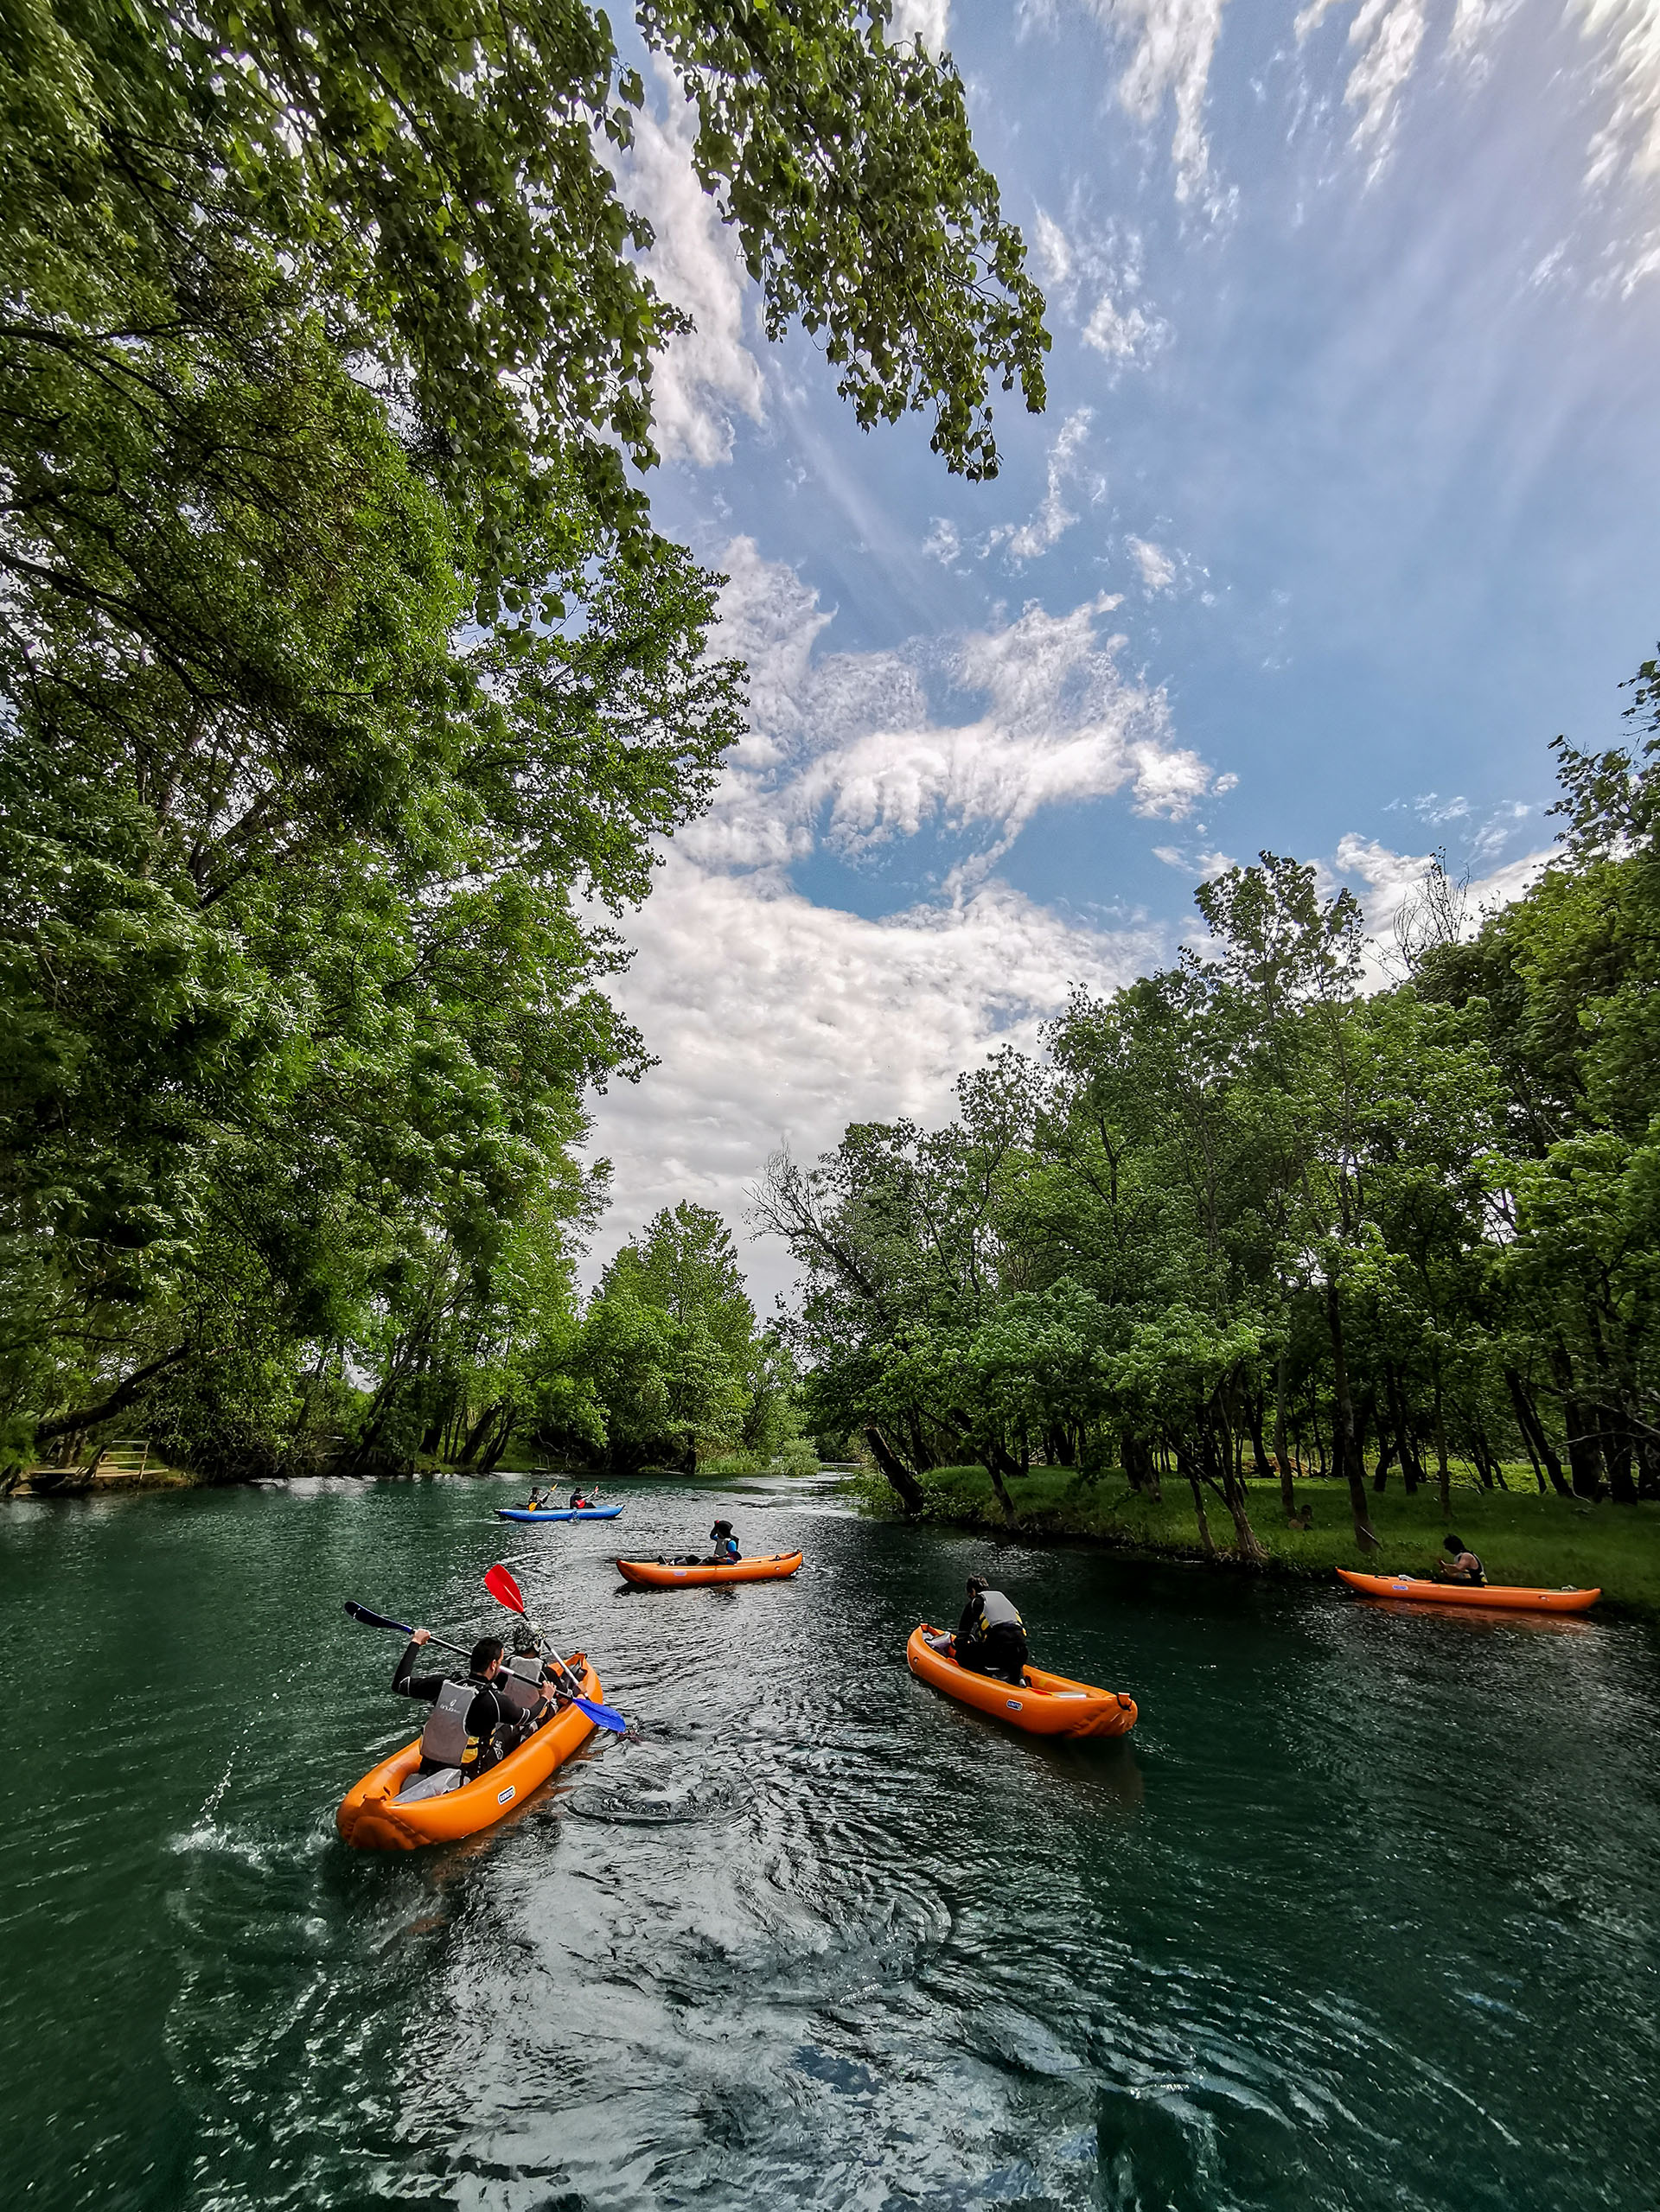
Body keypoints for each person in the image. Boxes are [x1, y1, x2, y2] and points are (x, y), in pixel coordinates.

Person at [392, 1629, 525, 1779]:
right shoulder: (493, 1700)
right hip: (468, 1772)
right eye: (500, 1662)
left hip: (429, 1764)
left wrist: (416, 1642)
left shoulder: (443, 1684)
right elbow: (527, 1716)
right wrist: (546, 1697)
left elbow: (400, 1684)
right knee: (508, 1728)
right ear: (493, 1665)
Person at [954, 1577, 1028, 1684]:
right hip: (1021, 1652)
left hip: (998, 1651)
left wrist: (958, 1646)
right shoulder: (1002, 1598)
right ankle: (1019, 1678)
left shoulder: (976, 1602)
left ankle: (989, 1676)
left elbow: (962, 1637)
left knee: (962, 1655)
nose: (969, 1596)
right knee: (1010, 1649)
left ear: (973, 1591)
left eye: (969, 1593)